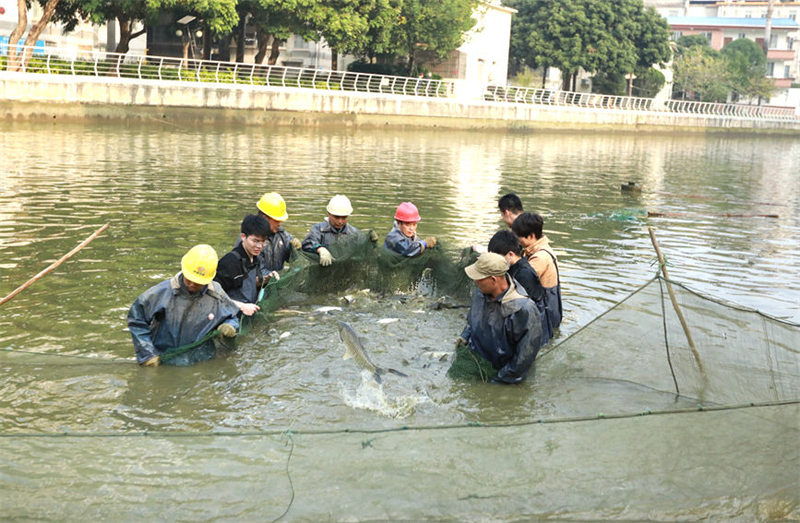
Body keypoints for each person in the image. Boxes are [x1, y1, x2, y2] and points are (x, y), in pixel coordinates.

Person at [128, 244, 240, 367]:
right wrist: (147, 353)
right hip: (164, 359)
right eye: (189, 279)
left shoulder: (216, 294)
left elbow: (232, 316)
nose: (192, 284)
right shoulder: (162, 292)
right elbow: (137, 319)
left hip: (202, 360)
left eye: (197, 282)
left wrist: (229, 325)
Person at [453, 252, 543, 384]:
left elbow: (523, 359)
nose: (475, 282)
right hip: (477, 362)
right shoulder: (482, 293)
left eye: (478, 278)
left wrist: (496, 382)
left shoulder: (524, 309)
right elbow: (473, 319)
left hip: (503, 374)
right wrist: (465, 335)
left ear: (493, 280)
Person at [487, 230, 550, 345]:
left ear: (510, 255)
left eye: (497, 258)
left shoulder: (524, 274)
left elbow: (524, 311)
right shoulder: (511, 267)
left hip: (532, 330)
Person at [512, 212, 562, 339]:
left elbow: (522, 280)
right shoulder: (539, 249)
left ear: (531, 236)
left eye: (519, 237)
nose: (518, 240)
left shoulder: (540, 257)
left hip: (547, 313)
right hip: (552, 307)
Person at [215, 214, 273, 316]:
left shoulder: (257, 258)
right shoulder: (230, 263)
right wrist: (241, 306)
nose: (259, 246)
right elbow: (213, 294)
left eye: (263, 242)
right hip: (230, 315)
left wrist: (265, 280)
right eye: (255, 241)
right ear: (243, 237)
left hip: (249, 312)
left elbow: (248, 284)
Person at [302, 194, 378, 266]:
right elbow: (306, 245)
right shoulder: (318, 229)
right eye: (336, 217)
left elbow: (366, 254)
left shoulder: (354, 233)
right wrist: (320, 249)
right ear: (329, 213)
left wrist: (372, 242)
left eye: (344, 218)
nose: (340, 221)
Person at [251, 192, 302, 273]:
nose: (280, 223)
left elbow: (295, 259)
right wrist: (270, 277)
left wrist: (295, 248)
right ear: (265, 218)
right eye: (276, 220)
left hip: (276, 281)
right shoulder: (250, 238)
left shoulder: (282, 235)